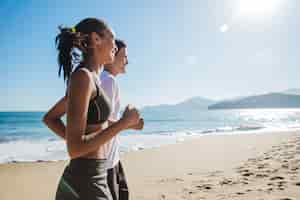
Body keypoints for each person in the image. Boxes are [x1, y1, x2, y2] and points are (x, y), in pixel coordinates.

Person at [43, 18, 140, 200]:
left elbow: (51, 118)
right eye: (112, 38)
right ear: (96, 39)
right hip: (85, 179)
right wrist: (123, 123)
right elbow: (75, 148)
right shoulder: (83, 77)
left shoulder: (93, 79)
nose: (115, 46)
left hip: (96, 173)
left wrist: (127, 124)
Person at [101, 39, 143, 200]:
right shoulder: (108, 81)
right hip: (107, 161)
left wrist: (131, 124)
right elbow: (103, 125)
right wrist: (129, 123)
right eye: (124, 56)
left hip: (113, 158)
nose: (127, 61)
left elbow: (109, 123)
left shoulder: (107, 80)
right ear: (112, 55)